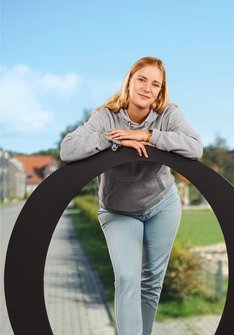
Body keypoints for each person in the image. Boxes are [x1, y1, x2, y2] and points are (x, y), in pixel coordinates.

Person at [60, 56, 203, 335]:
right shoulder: (106, 116)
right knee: (127, 279)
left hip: (162, 204)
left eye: (155, 84)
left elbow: (195, 147)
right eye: (141, 79)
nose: (147, 88)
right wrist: (113, 138)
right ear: (129, 80)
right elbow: (68, 149)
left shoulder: (168, 115)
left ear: (161, 92)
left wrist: (148, 135)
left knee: (151, 283)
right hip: (118, 210)